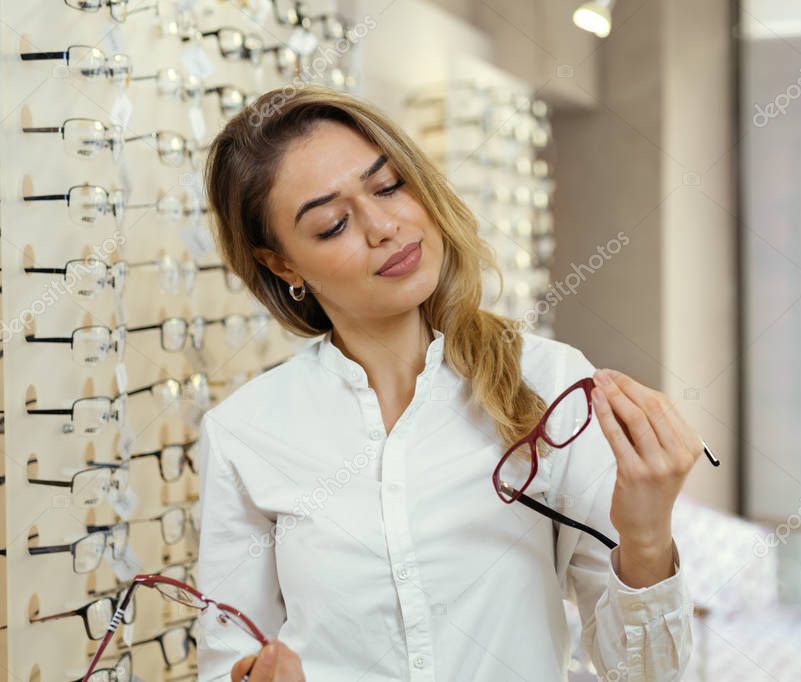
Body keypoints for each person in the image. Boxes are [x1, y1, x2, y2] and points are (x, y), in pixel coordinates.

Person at [196, 84, 703, 681]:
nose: (383, 226)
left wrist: (646, 534)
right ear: (281, 263)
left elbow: (645, 672)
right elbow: (230, 659)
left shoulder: (552, 382)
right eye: (333, 224)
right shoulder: (242, 434)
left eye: (389, 187)